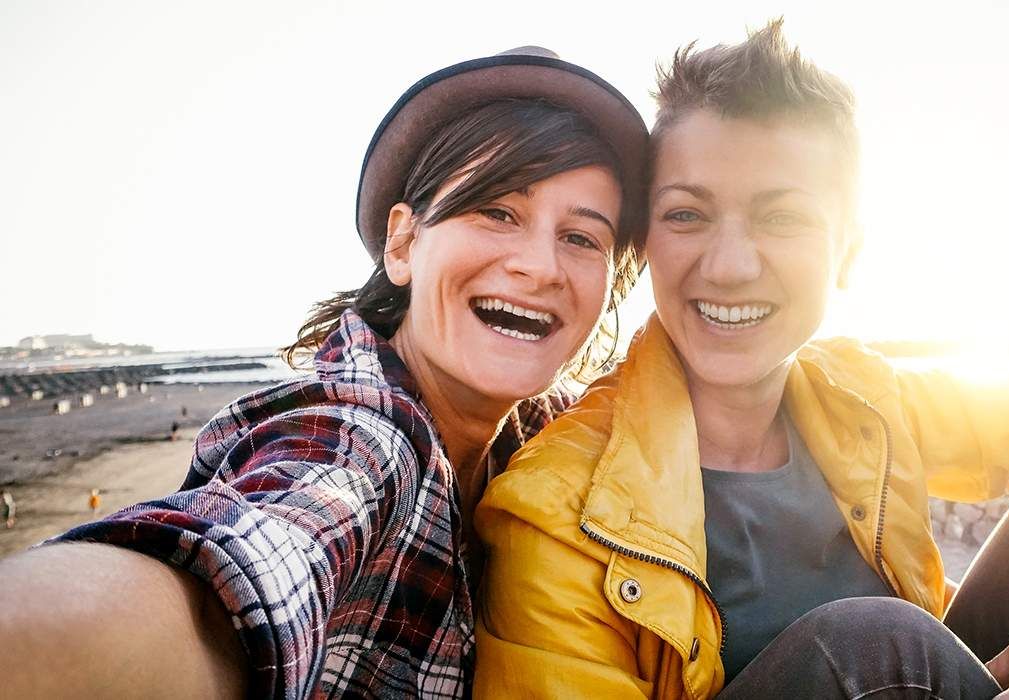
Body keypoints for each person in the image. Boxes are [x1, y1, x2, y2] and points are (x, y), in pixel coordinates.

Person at [473, 22, 1009, 699]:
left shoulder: (868, 398)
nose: (732, 263)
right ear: (645, 243)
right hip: (889, 675)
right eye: (687, 213)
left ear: (847, 253)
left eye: (781, 216)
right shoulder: (555, 508)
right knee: (873, 650)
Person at [0, 47, 646, 698]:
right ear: (402, 243)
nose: (539, 265)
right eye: (496, 211)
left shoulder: (550, 434)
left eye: (582, 237)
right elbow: (252, 559)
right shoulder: (362, 438)